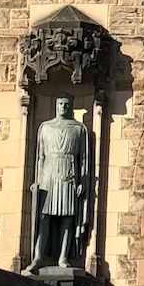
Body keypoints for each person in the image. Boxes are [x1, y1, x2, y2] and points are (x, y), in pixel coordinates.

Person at [28, 95, 90, 271]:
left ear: (71, 106)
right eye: (60, 103)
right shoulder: (45, 127)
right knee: (44, 218)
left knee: (67, 218)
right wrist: (37, 180)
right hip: (48, 176)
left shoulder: (79, 129)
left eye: (66, 104)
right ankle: (38, 256)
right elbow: (40, 156)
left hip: (69, 175)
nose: (63, 107)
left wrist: (83, 180)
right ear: (56, 105)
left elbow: (84, 158)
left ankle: (63, 257)